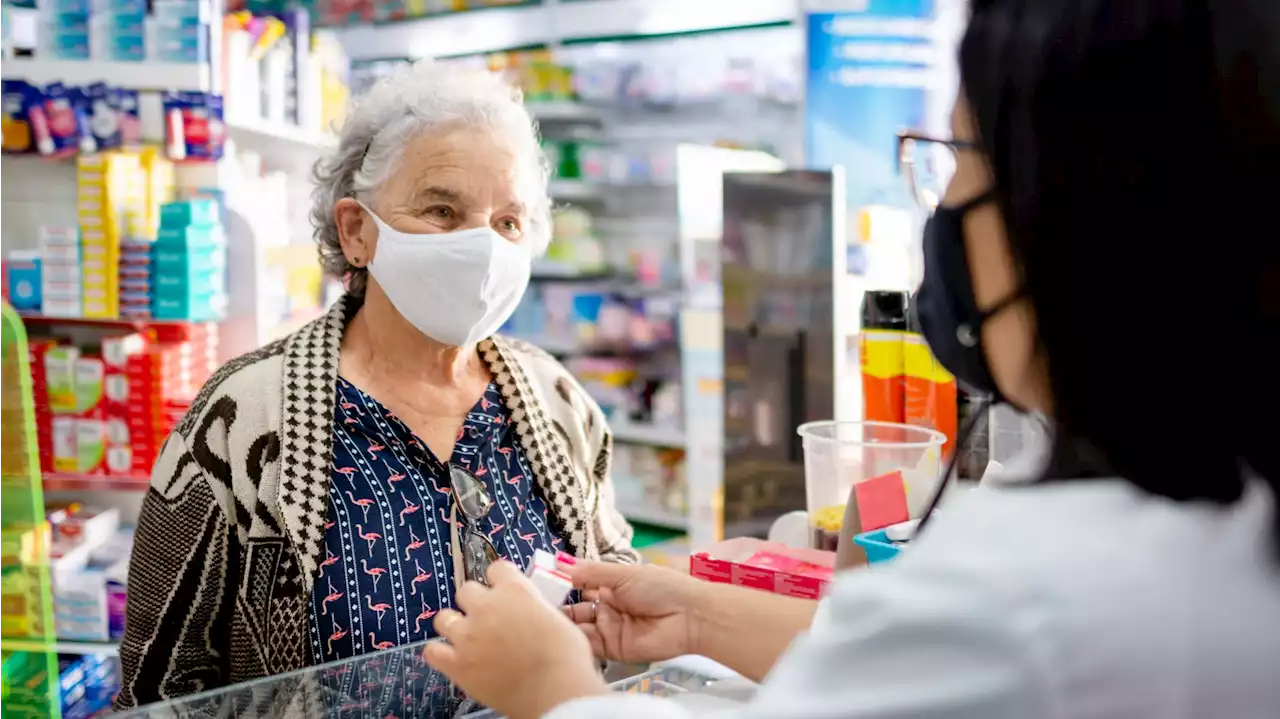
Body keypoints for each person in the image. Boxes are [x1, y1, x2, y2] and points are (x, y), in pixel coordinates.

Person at [421, 1, 1280, 717]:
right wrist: (698, 616)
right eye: (439, 211)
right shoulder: (1222, 521)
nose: (943, 223)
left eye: (960, 165)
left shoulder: (1031, 597)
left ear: (1069, 208)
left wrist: (557, 690)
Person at [114, 61, 639, 710]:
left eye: (507, 222)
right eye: (442, 210)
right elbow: (161, 685)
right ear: (357, 230)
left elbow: (615, 598)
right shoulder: (240, 420)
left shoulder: (558, 402)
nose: (481, 247)